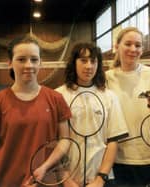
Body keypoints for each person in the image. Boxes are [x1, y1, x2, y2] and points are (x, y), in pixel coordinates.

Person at [0, 36, 71, 187]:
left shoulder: (56, 99)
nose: (29, 65)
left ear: (41, 63)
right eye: (21, 59)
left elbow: (65, 139)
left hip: (45, 182)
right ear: (9, 63)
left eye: (34, 59)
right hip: (7, 182)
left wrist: (45, 167)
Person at [55, 42, 129, 187]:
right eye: (83, 60)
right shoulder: (58, 95)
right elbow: (54, 141)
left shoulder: (109, 97)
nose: (89, 66)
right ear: (73, 63)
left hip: (101, 179)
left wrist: (100, 179)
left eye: (93, 61)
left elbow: (113, 141)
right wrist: (65, 178)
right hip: (67, 180)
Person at [105, 27, 150, 187]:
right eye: (128, 44)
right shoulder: (107, 78)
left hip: (147, 157)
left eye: (138, 45)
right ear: (117, 46)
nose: (133, 49)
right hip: (115, 159)